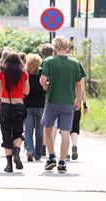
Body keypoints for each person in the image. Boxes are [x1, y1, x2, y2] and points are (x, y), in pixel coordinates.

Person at [40, 36, 82, 173]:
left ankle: (51, 156)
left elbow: (43, 79)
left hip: (52, 101)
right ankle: (62, 162)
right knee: (65, 132)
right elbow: (78, 84)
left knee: (48, 129)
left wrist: (46, 87)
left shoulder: (49, 61)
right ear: (67, 47)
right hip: (68, 102)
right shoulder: (75, 63)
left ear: (55, 47)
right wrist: (78, 100)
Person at [0, 52, 29, 172]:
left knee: (6, 133)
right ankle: (17, 153)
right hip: (19, 105)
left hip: (6, 106)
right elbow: (27, 91)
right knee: (18, 132)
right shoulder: (24, 74)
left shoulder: (1, 74)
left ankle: (9, 165)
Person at [23, 53, 45, 161]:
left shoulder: (25, 74)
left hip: (27, 105)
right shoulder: (42, 73)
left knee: (28, 130)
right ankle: (38, 154)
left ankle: (29, 150)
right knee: (40, 131)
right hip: (40, 105)